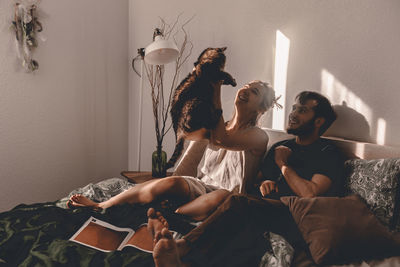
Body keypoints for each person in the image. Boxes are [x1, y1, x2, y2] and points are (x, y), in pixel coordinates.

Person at [148, 91, 344, 267]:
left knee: (237, 203)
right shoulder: (282, 145)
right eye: (294, 108)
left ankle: (183, 246)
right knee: (240, 229)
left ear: (318, 121)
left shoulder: (327, 152)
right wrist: (264, 183)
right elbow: (258, 181)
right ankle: (182, 258)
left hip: (295, 214)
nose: (293, 113)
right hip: (266, 206)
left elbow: (309, 194)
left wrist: (283, 164)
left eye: (302, 110)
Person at [68, 80, 281, 221]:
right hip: (202, 186)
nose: (244, 90)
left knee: (221, 196)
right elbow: (190, 157)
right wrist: (173, 182)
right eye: (245, 86)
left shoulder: (257, 135)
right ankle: (102, 205)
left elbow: (221, 139)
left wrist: (215, 88)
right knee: (171, 182)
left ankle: (169, 215)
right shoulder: (218, 125)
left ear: (261, 108)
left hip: (228, 197)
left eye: (253, 92)